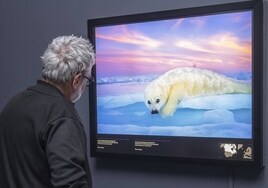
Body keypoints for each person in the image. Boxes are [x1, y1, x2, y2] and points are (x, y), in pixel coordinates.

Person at [0, 35, 95, 188]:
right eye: (88, 80)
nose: (86, 85)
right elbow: (70, 184)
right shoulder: (62, 118)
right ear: (76, 80)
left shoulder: (13, 104)